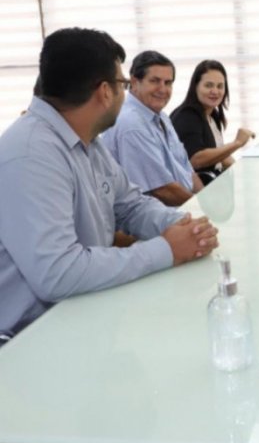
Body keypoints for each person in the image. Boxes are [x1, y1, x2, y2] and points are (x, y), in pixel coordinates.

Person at [0, 28, 219, 341]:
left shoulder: (85, 141)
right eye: (123, 84)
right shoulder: (31, 154)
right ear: (104, 91)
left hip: (78, 312)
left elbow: (130, 204)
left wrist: (181, 225)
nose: (125, 93)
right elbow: (58, 273)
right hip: (25, 338)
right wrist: (167, 249)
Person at [101, 50, 203, 206]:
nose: (163, 89)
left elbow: (188, 172)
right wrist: (203, 210)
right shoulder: (132, 124)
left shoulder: (161, 117)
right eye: (155, 81)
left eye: (168, 83)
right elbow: (162, 190)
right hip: (152, 221)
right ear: (134, 82)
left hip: (180, 209)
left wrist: (205, 199)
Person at [170, 60, 254, 185]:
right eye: (208, 85)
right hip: (195, 192)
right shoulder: (187, 115)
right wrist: (237, 143)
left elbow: (219, 153)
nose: (215, 91)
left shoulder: (212, 114)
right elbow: (196, 160)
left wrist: (243, 173)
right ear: (195, 86)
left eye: (220, 86)